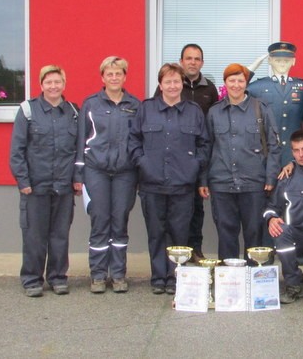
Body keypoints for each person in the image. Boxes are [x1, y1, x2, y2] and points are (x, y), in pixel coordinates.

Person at [129, 63, 209, 295]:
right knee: (156, 232)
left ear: (182, 83)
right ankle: (158, 277)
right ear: (160, 84)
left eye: (176, 81)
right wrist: (142, 163)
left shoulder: (193, 111)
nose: (172, 86)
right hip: (151, 183)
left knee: (179, 233)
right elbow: (134, 141)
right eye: (168, 81)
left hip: (183, 184)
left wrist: (195, 168)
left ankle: (176, 276)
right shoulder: (146, 109)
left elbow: (204, 144)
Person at [9, 65, 81, 297]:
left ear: (64, 84)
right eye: (48, 82)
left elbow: (78, 151)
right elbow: (17, 150)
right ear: (41, 85)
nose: (53, 86)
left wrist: (77, 179)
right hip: (35, 186)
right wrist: (23, 181)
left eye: (57, 81)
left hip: (63, 186)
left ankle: (58, 277)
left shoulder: (72, 112)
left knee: (60, 235)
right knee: (34, 235)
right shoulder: (27, 110)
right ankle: (32, 279)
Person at [199, 63, 281, 261]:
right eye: (231, 80)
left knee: (254, 234)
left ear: (246, 83)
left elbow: (274, 146)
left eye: (240, 80)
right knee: (226, 235)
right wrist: (203, 180)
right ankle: (229, 280)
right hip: (221, 183)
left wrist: (270, 176)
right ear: (225, 83)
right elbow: (206, 147)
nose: (236, 85)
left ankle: (253, 279)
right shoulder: (214, 112)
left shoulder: (261, 110)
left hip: (254, 183)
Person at [77, 56, 141, 294]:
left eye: (118, 73)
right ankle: (98, 275)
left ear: (125, 76)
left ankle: (118, 274)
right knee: (100, 221)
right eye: (109, 74)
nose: (114, 78)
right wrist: (78, 173)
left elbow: (139, 140)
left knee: (120, 221)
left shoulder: (135, 104)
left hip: (125, 172)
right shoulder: (91, 104)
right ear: (102, 77)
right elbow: (81, 139)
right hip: (97, 171)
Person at [155, 44, 219, 264]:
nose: (193, 62)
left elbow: (212, 125)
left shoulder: (209, 89)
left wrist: (201, 165)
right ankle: (171, 256)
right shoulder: (170, 85)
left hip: (195, 159)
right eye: (188, 58)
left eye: (197, 58)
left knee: (196, 209)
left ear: (202, 62)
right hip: (170, 162)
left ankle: (195, 249)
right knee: (170, 214)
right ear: (181, 61)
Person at [263, 130, 303, 304]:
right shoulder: (286, 177)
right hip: (298, 237)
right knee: (279, 230)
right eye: (296, 150)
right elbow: (271, 207)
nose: (301, 155)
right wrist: (271, 219)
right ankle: (294, 283)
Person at [247, 41, 303, 166]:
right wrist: (251, 68)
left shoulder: (301, 87)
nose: (282, 63)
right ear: (269, 61)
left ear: (293, 61)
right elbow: (235, 89)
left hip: (294, 153)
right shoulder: (258, 86)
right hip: (267, 152)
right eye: (277, 60)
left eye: (286, 60)